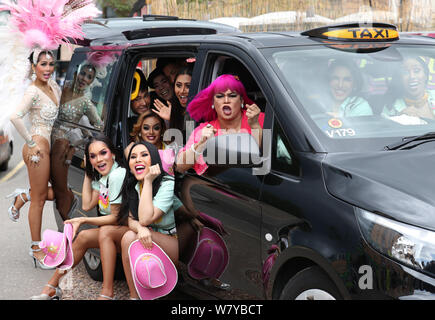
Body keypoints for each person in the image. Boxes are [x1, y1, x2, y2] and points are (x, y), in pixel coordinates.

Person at [30, 134, 127, 300]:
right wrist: (89, 173)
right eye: (93, 156)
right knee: (82, 237)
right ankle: (52, 287)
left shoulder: (118, 175)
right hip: (111, 230)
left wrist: (83, 219)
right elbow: (87, 205)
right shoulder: (105, 177)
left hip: (127, 229)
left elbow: (116, 217)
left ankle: (106, 293)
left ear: (113, 154)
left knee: (90, 234)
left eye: (103, 153)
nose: (99, 159)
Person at [8, 50, 61, 268]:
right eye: (43, 64)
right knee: (40, 200)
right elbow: (14, 117)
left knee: (59, 193)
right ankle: (36, 248)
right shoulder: (32, 91)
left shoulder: (54, 87)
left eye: (51, 64)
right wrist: (30, 144)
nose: (48, 68)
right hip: (37, 148)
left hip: (51, 146)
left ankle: (23, 196)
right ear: (33, 66)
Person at [118, 141, 179, 300]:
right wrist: (141, 229)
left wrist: (149, 181)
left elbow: (144, 218)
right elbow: (131, 220)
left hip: (174, 242)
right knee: (128, 237)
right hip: (151, 237)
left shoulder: (167, 184)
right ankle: (134, 296)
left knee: (132, 236)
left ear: (154, 160)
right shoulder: (133, 186)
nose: (138, 159)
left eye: (144, 155)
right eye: (133, 157)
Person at [176, 74, 264, 175]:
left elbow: (269, 157)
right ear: (213, 102)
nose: (226, 100)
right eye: (220, 96)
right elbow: (180, 166)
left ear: (241, 101)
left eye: (232, 95)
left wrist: (255, 126)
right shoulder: (204, 130)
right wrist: (201, 143)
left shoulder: (259, 119)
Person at [382, 56, 435, 120]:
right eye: (405, 72)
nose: (412, 76)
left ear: (425, 75)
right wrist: (399, 118)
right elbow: (387, 128)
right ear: (400, 79)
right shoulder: (390, 106)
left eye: (416, 71)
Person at [154, 66, 194, 138]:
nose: (182, 91)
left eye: (188, 86)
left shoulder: (199, 112)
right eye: (178, 85)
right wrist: (172, 118)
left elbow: (189, 140)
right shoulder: (176, 108)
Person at [127, 68, 151, 135]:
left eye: (146, 95)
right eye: (137, 99)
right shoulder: (125, 125)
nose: (144, 103)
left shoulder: (159, 114)